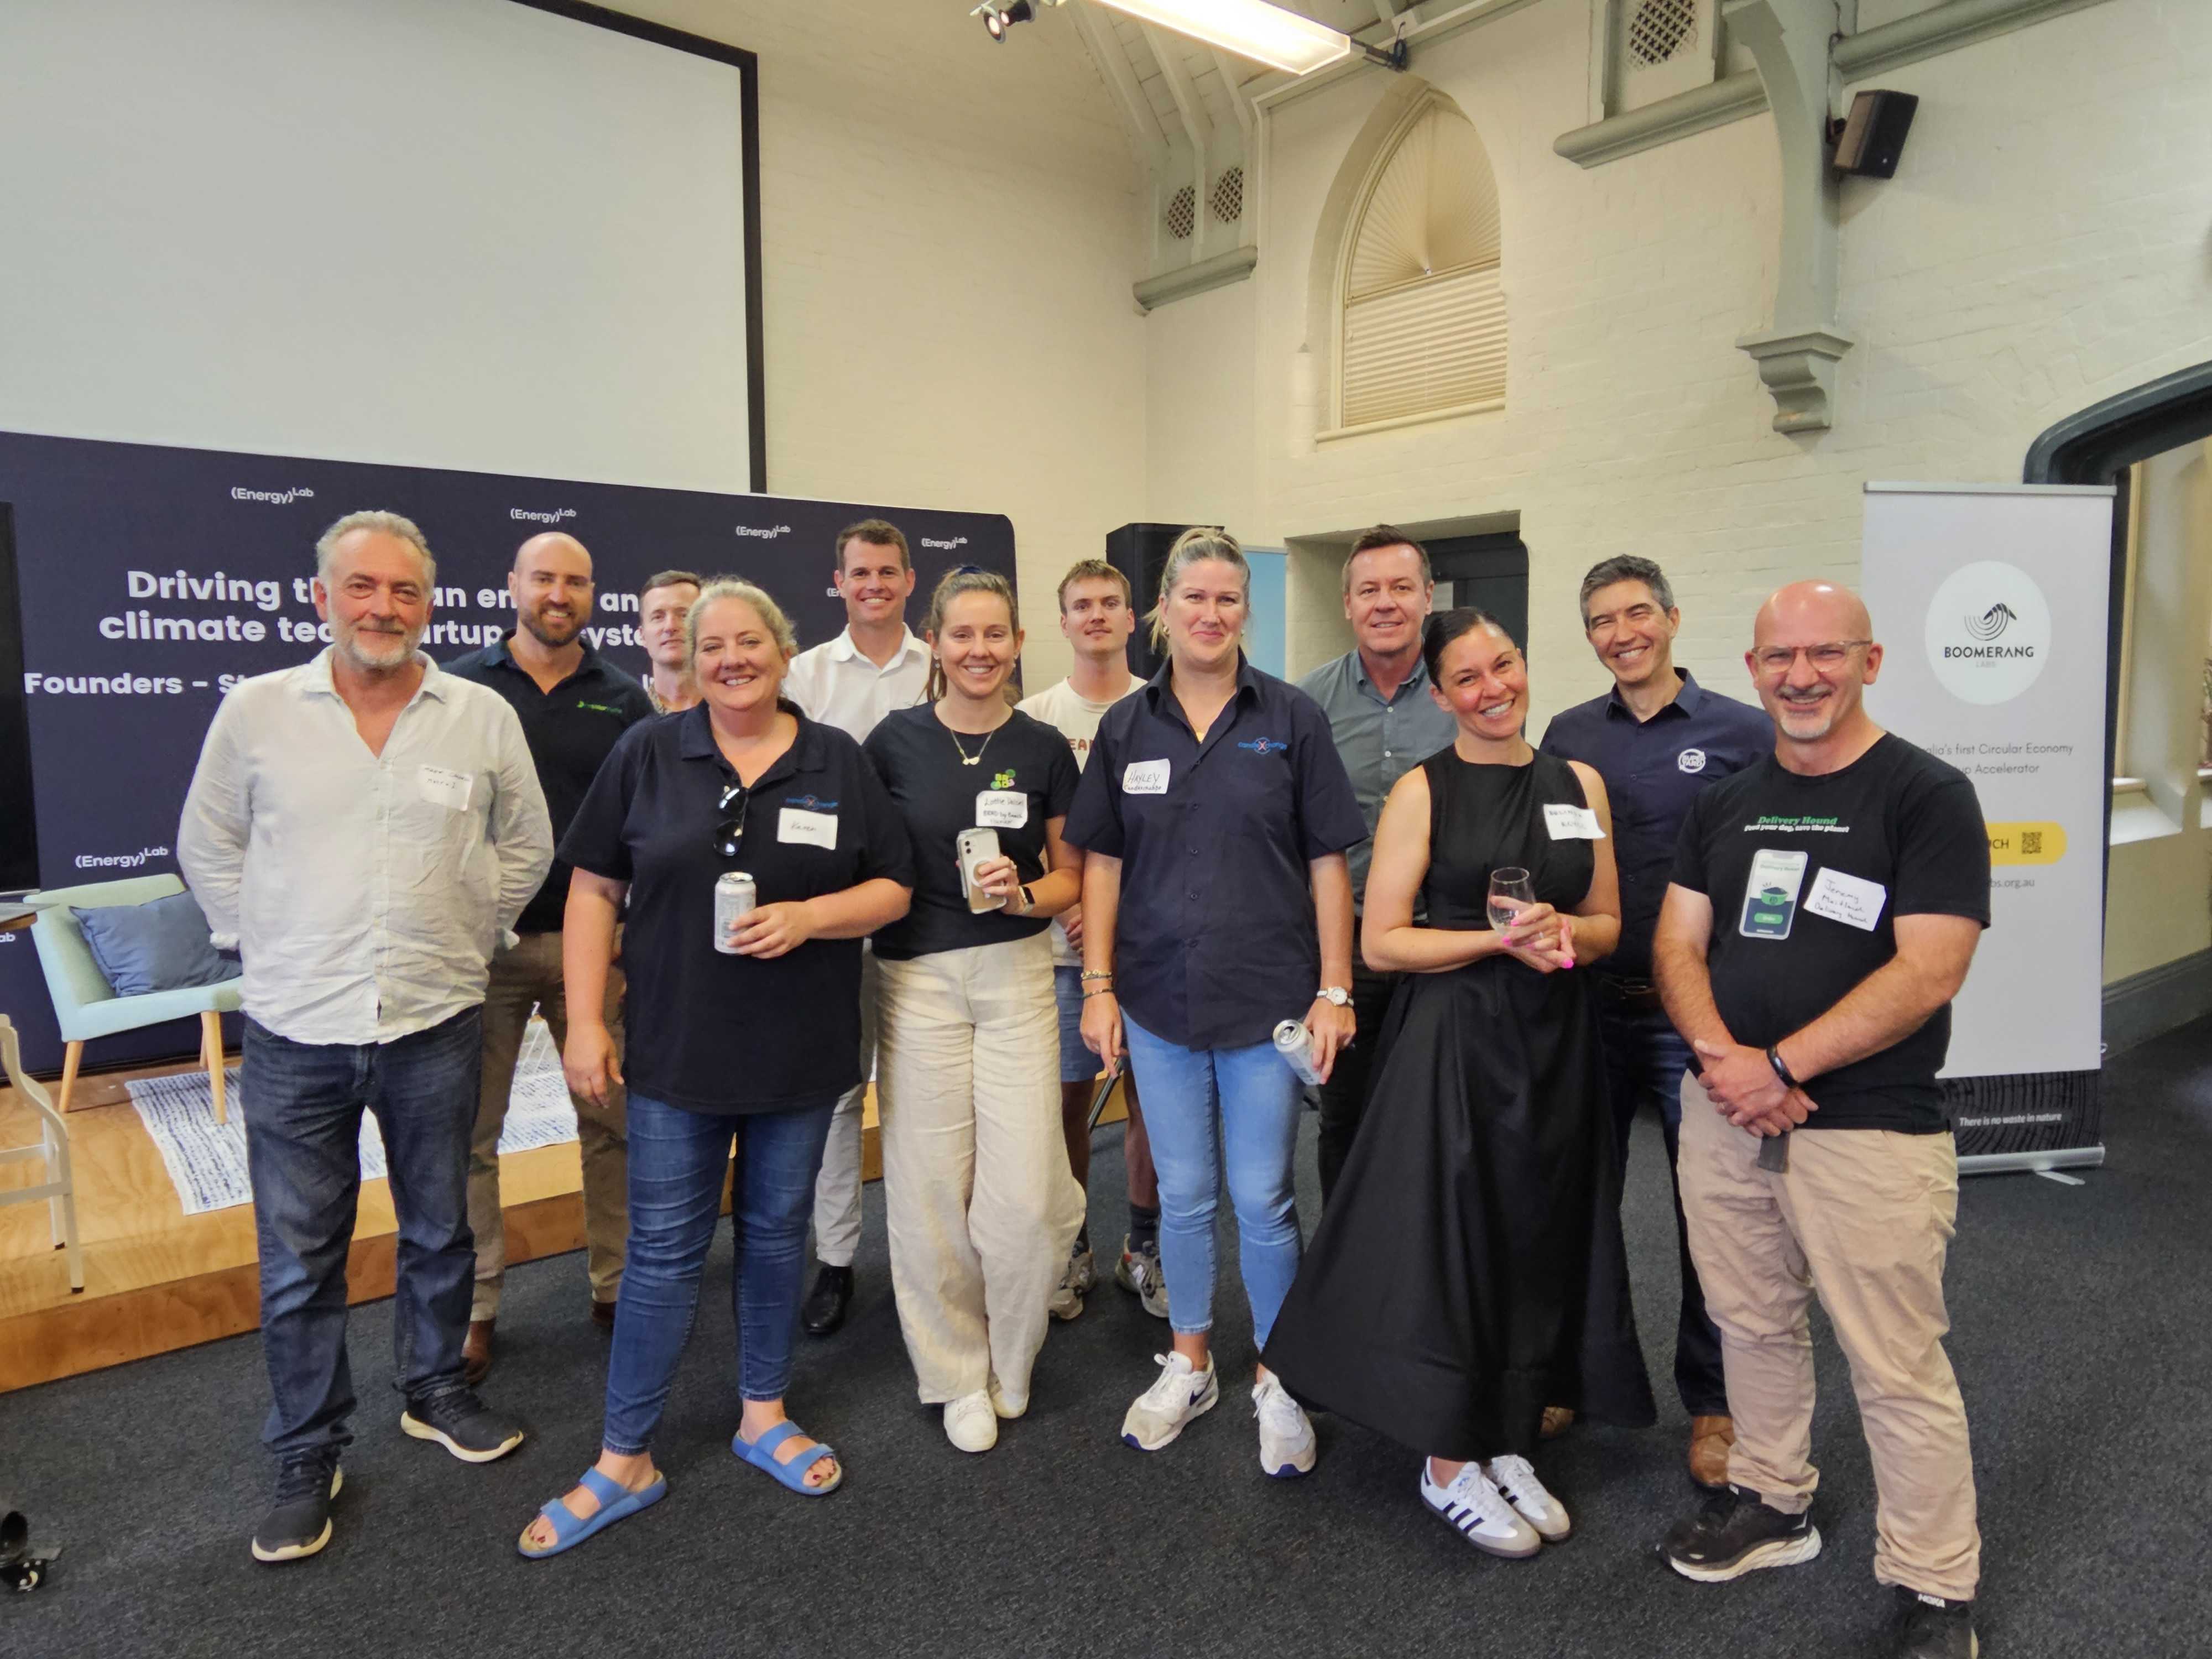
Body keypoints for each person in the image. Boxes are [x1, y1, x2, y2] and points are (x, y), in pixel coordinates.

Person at [178, 510, 553, 1564]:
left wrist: (476, 928)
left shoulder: (476, 716)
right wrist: (257, 944)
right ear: (322, 599)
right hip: (298, 1026)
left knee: (440, 1224)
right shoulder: (257, 712)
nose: (383, 608)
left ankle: (434, 1391)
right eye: (362, 588)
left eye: (404, 592)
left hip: (436, 1015)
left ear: (428, 606)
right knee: (302, 1255)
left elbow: (524, 840)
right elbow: (206, 840)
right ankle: (306, 1449)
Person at [516, 579, 914, 1558]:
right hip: (676, 1050)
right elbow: (594, 891)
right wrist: (580, 1023)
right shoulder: (649, 751)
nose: (732, 659)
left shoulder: (836, 758)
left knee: (777, 1236)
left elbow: (895, 886)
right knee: (660, 1255)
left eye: (750, 642)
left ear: (785, 653)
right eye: (712, 647)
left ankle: (762, 1414)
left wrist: (812, 917)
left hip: (799, 1050)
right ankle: (624, 1459)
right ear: (689, 661)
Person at [1264, 608, 1655, 1558]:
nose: (1493, 689)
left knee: (1539, 1232)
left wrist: (1565, 935)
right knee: (1455, 1241)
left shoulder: (1581, 782)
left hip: (1557, 1040)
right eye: (1468, 679)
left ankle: (1506, 1433)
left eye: (1504, 666)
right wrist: (1498, 942)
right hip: (1458, 1040)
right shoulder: (1422, 792)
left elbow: (1608, 920)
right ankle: (1446, 1461)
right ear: (1440, 695)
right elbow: (1381, 942)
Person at [1653, 581, 1989, 1659]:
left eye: (1823, 654)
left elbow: (1930, 967)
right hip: (1723, 1115)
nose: (1799, 675)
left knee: (1893, 1363)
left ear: (1868, 661)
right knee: (1748, 1325)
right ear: (1749, 670)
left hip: (1870, 1129)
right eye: (1777, 657)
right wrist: (1725, 1063)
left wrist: (1781, 1065)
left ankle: (1936, 1589)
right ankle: (1771, 1501)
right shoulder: (1724, 801)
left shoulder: (1925, 794)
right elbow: (1674, 946)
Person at [1063, 527, 1366, 1478]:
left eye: (1227, 599)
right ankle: (1190, 1358)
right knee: (1184, 1195)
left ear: (1246, 609)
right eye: (1192, 597)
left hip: (1267, 1000)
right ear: (1165, 609)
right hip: (1154, 998)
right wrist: (1099, 988)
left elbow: (1329, 863)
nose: (1209, 614)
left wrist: (1334, 988)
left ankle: (1279, 1374)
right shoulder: (1126, 725)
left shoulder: (1291, 718)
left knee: (1265, 1197)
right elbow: (1102, 866)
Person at [1537, 554, 1772, 1484]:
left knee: (1710, 1214)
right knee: (1576, 1202)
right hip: (1588, 1007)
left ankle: (1714, 1405)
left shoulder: (1742, 733)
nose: (1622, 633)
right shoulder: (1564, 735)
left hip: (1693, 1015)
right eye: (1602, 620)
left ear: (1672, 618)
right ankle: (1573, 1373)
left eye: (1638, 613)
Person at [863, 568, 1085, 1451]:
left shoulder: (1043, 748)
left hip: (1019, 973)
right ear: (936, 644)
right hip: (915, 981)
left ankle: (1014, 1353)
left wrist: (1025, 892)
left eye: (996, 635)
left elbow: (1070, 877)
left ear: (1019, 643)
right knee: (927, 1191)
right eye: (962, 636)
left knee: (1029, 1195)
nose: (980, 651)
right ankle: (954, 1370)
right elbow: (871, 867)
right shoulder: (890, 743)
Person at [444, 533, 653, 1383]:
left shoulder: (624, 699)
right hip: (482, 947)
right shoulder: (457, 688)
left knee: (612, 1123)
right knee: (470, 1133)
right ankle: (476, 1307)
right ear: (513, 585)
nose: (558, 594)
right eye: (543, 578)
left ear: (592, 594)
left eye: (575, 581)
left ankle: (617, 1283)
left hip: (592, 946)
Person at [785, 518, 930, 1337]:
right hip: (838, 921)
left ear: (910, 581)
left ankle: (926, 1256)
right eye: (859, 573)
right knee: (841, 1097)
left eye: (888, 572)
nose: (874, 585)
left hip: (931, 920)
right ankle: (836, 1261)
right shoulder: (804, 676)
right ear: (838, 583)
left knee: (923, 1098)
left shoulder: (947, 668)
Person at [1016, 558, 1167, 1322]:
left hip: (1150, 951)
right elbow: (1031, 835)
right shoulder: (1037, 716)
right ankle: (1071, 1245)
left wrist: (1114, 916)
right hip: (1060, 953)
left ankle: (1142, 1246)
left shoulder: (1165, 708)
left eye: (1112, 601)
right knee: (1065, 1105)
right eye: (1083, 605)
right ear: (1064, 621)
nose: (1099, 615)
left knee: (1151, 1106)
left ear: (1133, 616)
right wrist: (1076, 907)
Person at [1295, 526, 1458, 1203]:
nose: (1384, 603)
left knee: (1442, 1115)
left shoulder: (1464, 690)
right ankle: (1347, 1269)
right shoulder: (1307, 704)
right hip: (1346, 946)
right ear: (1347, 605)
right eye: (1368, 590)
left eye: (1399, 588)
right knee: (1346, 1118)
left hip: (1443, 940)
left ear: (1427, 597)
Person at [638, 568, 703, 714]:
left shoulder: (732, 712)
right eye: (658, 617)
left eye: (684, 615)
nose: (671, 627)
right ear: (642, 636)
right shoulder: (630, 716)